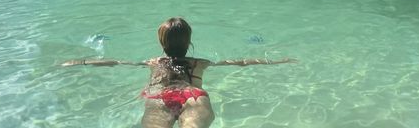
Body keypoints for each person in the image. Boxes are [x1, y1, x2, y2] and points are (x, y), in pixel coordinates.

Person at [62, 16, 297, 127]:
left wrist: (80, 62)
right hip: (192, 95)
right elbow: (241, 62)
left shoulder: (152, 62)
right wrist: (277, 61)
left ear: (161, 43)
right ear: (189, 42)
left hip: (158, 97)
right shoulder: (200, 62)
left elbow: (115, 62)